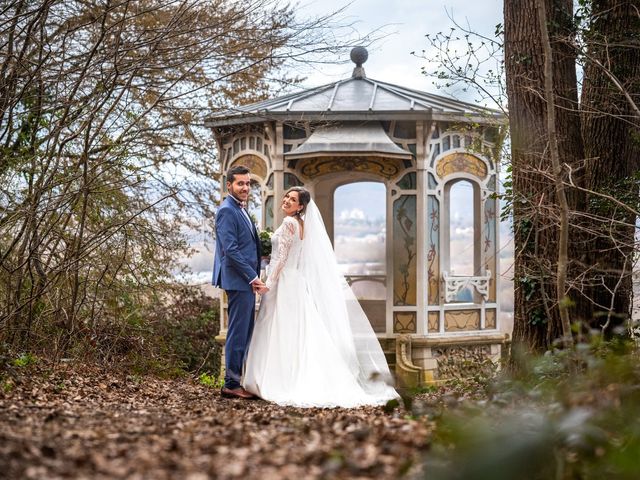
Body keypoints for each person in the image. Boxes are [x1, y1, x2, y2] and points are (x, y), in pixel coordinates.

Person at [243, 187, 399, 408]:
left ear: (301, 207)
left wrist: (267, 284)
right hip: (295, 281)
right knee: (296, 330)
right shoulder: (301, 224)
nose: (286, 200)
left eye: (293, 199)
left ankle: (279, 379)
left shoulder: (289, 223)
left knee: (280, 329)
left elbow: (281, 259)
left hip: (284, 282)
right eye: (286, 197)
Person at [212, 165, 265, 400]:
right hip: (238, 281)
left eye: (248, 183)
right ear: (229, 186)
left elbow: (246, 244)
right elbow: (230, 250)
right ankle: (231, 383)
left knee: (245, 331)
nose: (245, 188)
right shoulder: (226, 211)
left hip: (244, 280)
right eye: (240, 184)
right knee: (237, 332)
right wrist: (252, 277)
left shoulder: (241, 209)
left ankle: (239, 378)